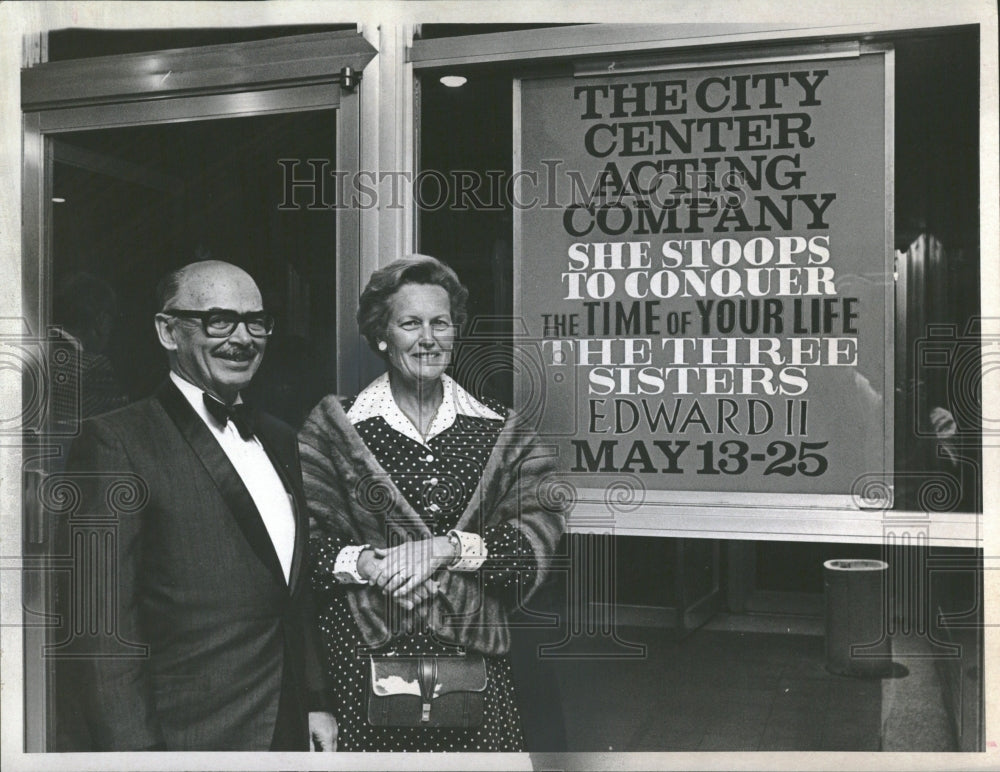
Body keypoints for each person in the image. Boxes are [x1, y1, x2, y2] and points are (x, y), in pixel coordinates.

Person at [59, 260, 336, 751]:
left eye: (256, 321)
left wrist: (314, 699)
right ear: (168, 330)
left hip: (288, 730)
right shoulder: (114, 442)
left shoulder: (280, 437)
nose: (243, 338)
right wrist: (137, 762)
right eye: (219, 320)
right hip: (186, 739)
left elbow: (291, 593)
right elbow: (99, 636)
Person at [298, 254, 567, 751]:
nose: (428, 338)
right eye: (410, 323)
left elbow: (539, 536)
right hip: (362, 662)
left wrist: (446, 549)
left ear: (455, 332)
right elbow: (301, 547)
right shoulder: (336, 429)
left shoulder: (502, 430)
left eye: (440, 323)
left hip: (473, 663)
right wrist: (368, 562)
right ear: (382, 335)